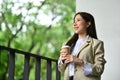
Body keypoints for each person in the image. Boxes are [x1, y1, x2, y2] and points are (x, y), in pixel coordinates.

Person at [58, 12, 106, 80]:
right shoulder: (67, 44)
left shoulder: (97, 44)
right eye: (74, 21)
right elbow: (61, 69)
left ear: (88, 23)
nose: (74, 24)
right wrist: (62, 61)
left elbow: (99, 69)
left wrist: (80, 62)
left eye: (78, 20)